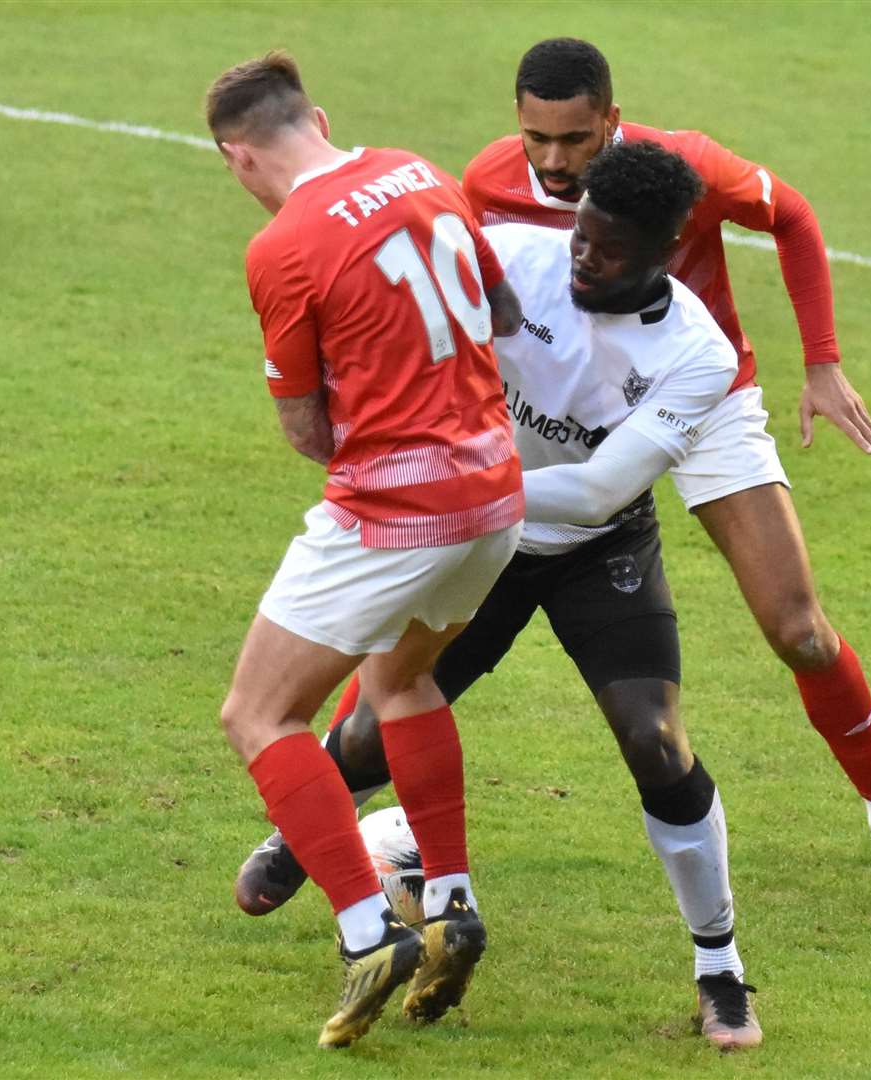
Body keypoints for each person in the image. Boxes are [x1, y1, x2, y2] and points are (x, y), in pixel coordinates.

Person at [239, 142, 763, 1050]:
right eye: (580, 235)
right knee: (371, 722)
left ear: (668, 252)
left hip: (593, 547)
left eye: (609, 250)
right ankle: (313, 833)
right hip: (481, 535)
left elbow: (603, 487)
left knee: (658, 740)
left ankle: (720, 967)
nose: (582, 257)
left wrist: (454, 483)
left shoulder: (698, 354)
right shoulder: (518, 252)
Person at [462, 38, 871, 879]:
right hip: (566, 406)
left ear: (611, 123)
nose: (552, 163)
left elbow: (792, 215)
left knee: (798, 629)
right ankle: (320, 805)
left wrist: (824, 361)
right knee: (436, 604)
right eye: (535, 140)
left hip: (700, 393)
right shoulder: (488, 182)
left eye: (575, 141)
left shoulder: (684, 168)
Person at [206, 50, 526, 1049]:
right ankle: (451, 909)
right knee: (403, 685)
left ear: (237, 159)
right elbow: (504, 317)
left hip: (395, 509)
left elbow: (306, 430)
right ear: (321, 117)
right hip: (497, 499)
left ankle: (363, 933)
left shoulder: (282, 246)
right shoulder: (422, 170)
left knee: (259, 713)